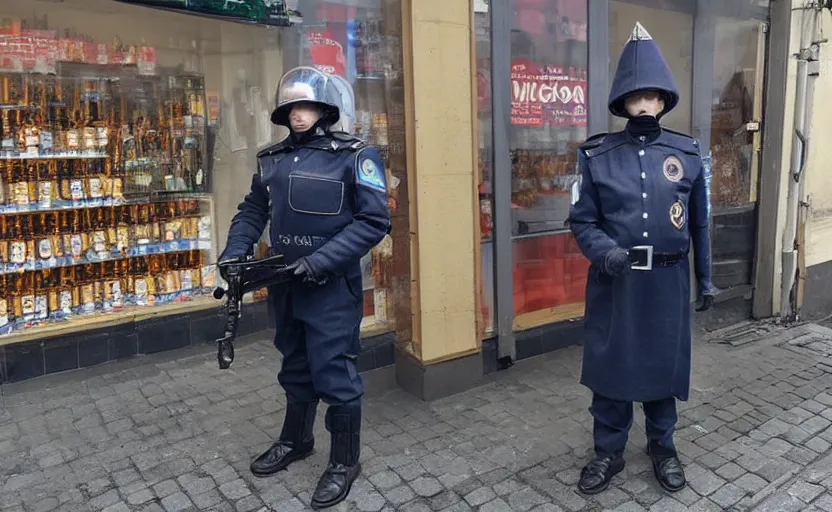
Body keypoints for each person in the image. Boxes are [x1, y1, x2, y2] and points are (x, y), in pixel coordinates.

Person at [218, 66, 390, 510]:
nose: (298, 114)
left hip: (331, 286)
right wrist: (235, 252)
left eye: (307, 105)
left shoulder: (356, 155)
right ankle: (297, 440)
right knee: (295, 365)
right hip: (284, 283)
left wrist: (319, 262)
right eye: (292, 107)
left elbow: (374, 221)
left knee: (335, 371)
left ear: (325, 109)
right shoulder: (270, 159)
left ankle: (344, 461)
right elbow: (253, 210)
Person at [567, 22, 716, 496]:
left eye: (652, 96)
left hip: (667, 281)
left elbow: (699, 222)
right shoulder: (597, 155)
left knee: (662, 368)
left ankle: (663, 447)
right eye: (636, 97)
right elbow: (581, 220)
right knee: (612, 369)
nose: (645, 105)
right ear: (623, 102)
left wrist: (706, 279)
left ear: (664, 99)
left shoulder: (687, 154)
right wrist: (605, 253)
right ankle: (607, 452)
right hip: (616, 279)